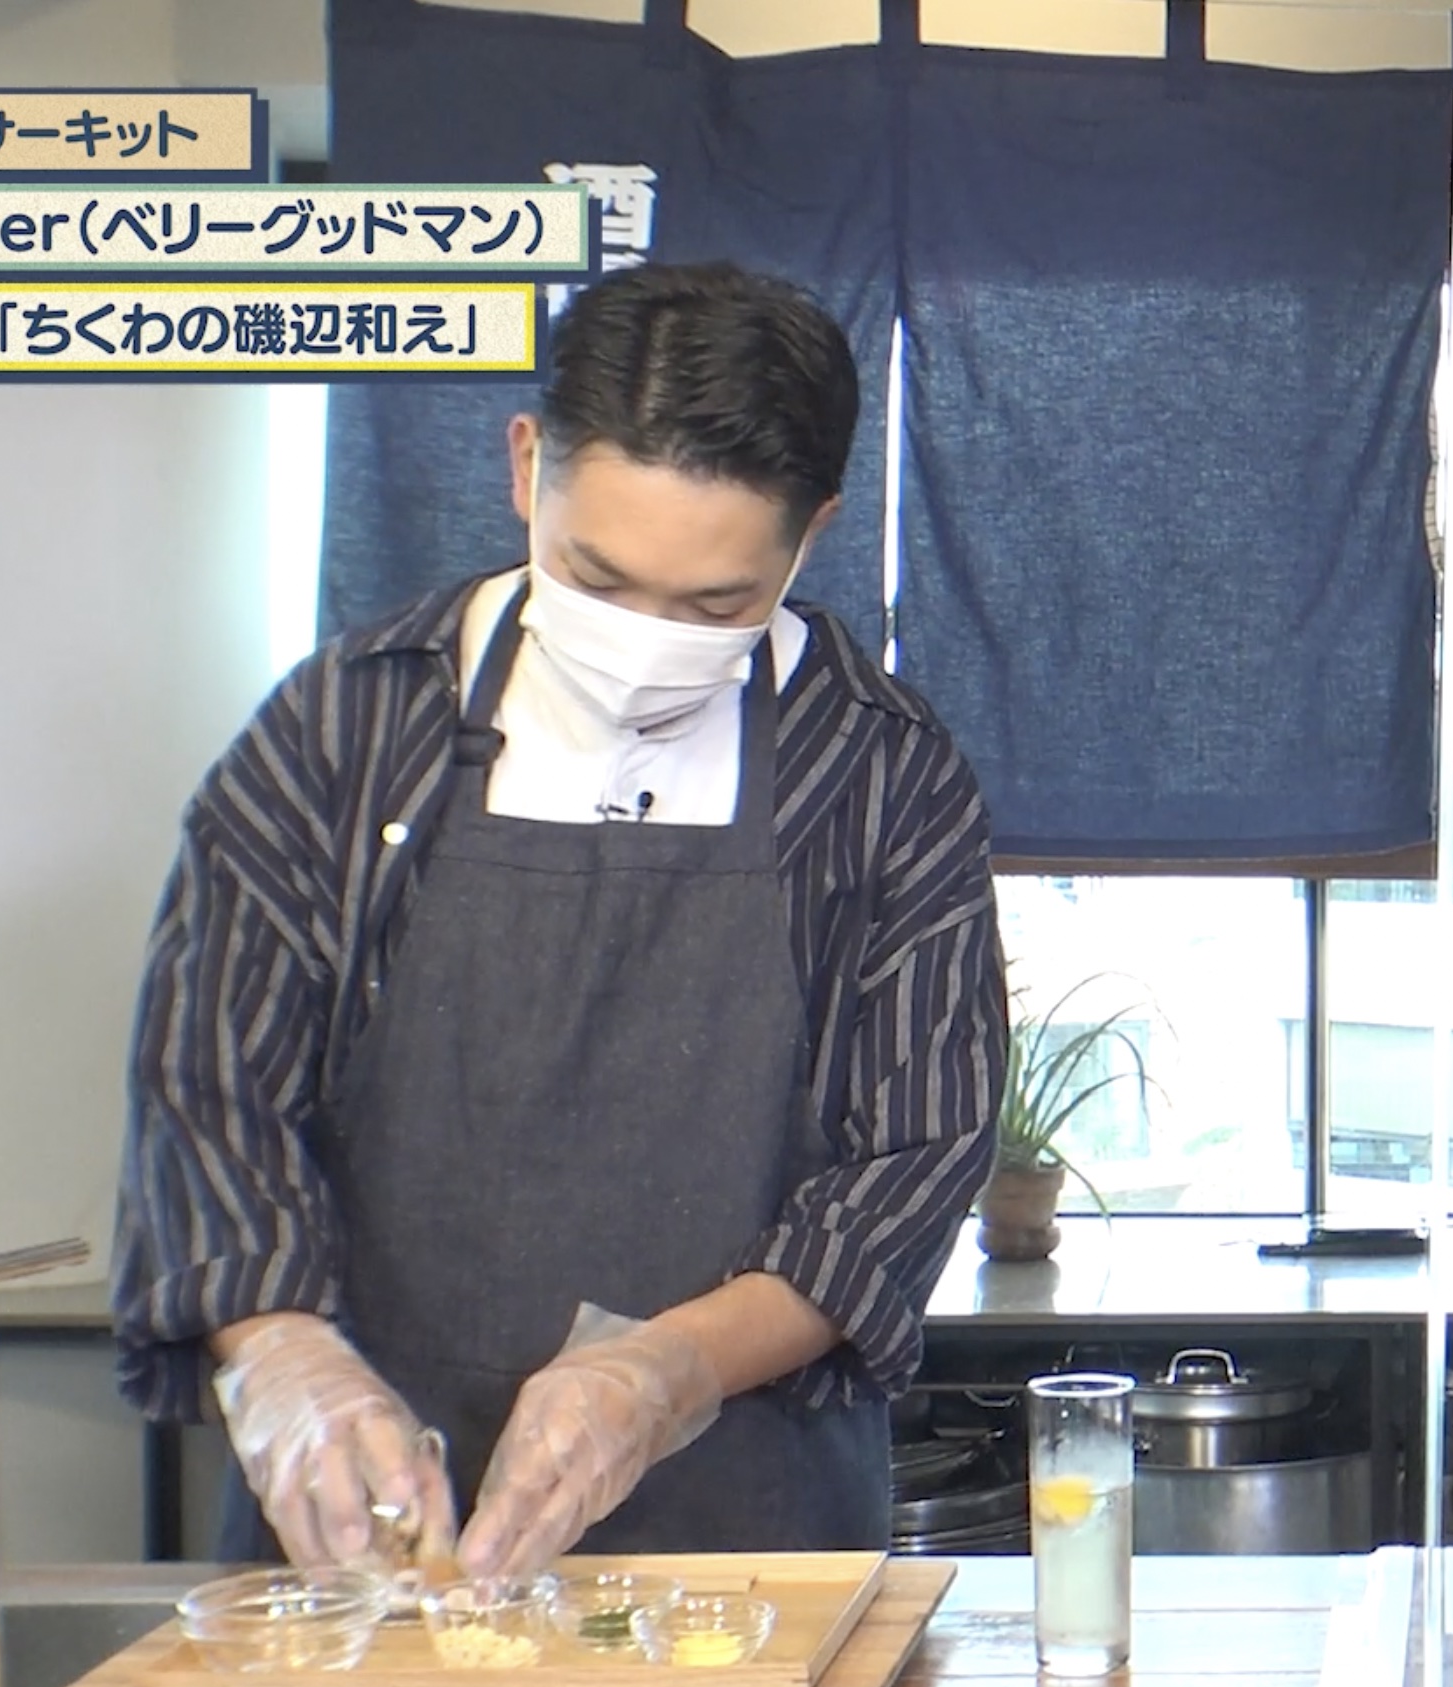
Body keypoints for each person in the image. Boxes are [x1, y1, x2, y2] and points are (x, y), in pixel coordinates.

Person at [111, 262, 1004, 1576]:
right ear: (528, 465)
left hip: (744, 1542)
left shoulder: (877, 772)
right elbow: (209, 1095)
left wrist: (659, 1374)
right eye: (597, 573)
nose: (645, 640)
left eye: (714, 605)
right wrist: (288, 1358)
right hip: (373, 1534)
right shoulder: (350, 730)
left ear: (810, 532)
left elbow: (908, 1163)